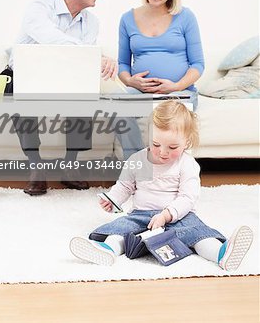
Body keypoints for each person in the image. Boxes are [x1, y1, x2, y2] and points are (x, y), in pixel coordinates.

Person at [70, 101, 253, 270]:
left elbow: (187, 198)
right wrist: (113, 200)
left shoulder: (187, 164)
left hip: (178, 217)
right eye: (156, 144)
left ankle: (221, 254)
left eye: (172, 148)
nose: (163, 153)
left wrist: (166, 215)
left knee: (199, 234)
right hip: (140, 216)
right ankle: (107, 250)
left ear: (187, 142)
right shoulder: (137, 160)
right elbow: (125, 186)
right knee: (121, 230)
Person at [4, 0, 119, 196]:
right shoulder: (39, 8)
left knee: (85, 90)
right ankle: (36, 166)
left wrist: (98, 57)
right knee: (19, 92)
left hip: (64, 76)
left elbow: (81, 60)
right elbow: (51, 39)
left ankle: (70, 164)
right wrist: (94, 55)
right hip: (24, 75)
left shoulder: (91, 22)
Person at [118, 0, 205, 111]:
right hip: (140, 92)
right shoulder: (127, 19)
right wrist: (131, 81)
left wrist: (176, 86)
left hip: (180, 92)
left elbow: (198, 64)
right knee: (117, 106)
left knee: (169, 116)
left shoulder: (185, 16)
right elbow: (122, 64)